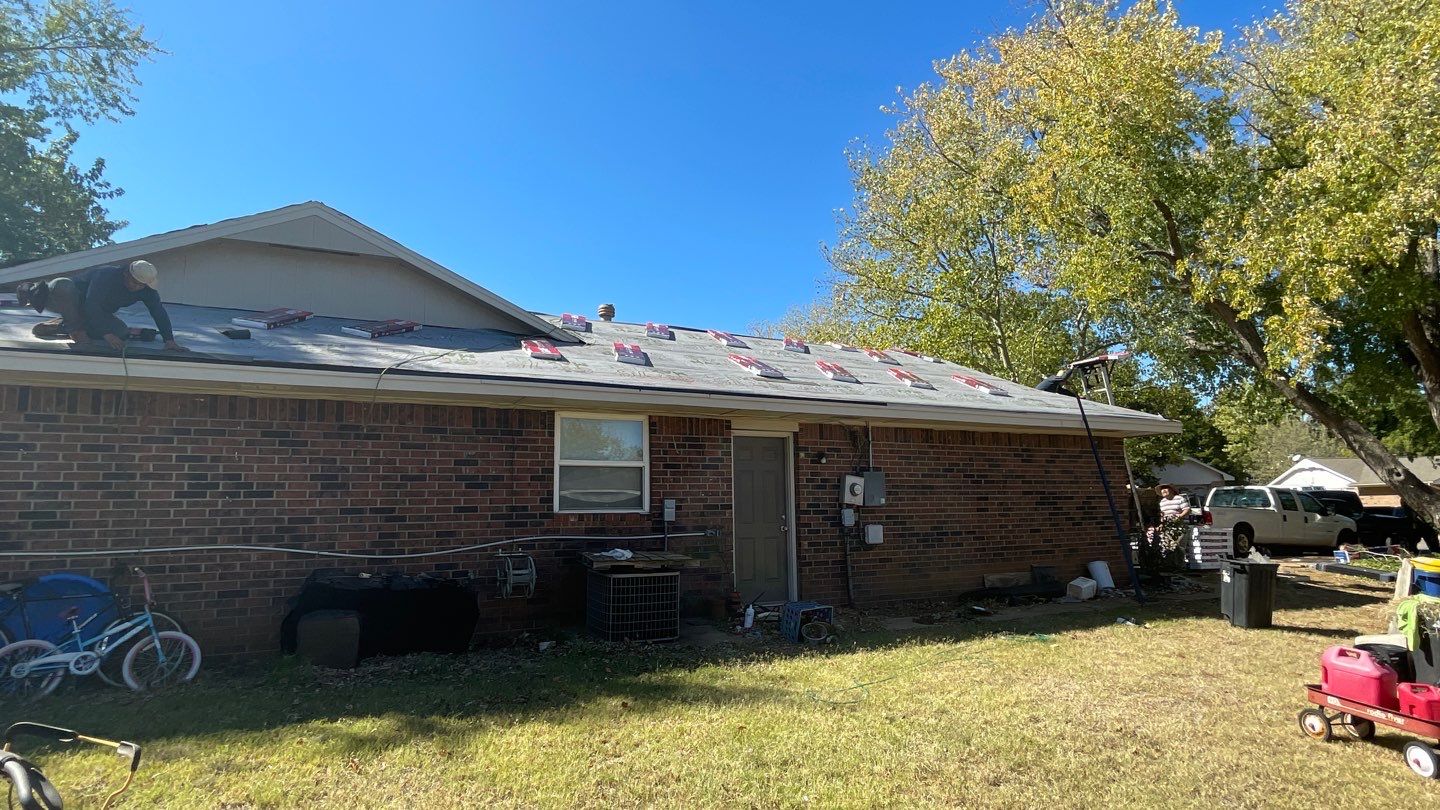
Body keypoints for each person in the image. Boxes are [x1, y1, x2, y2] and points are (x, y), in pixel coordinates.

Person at [17, 260, 186, 352]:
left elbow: (158, 312)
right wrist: (106, 334)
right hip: (64, 300)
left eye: (141, 285)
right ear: (126, 273)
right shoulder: (106, 275)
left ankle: (60, 325)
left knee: (121, 332)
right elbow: (92, 303)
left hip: (90, 312)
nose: (136, 287)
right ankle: (75, 329)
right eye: (134, 282)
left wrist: (169, 340)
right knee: (63, 285)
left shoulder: (146, 291)